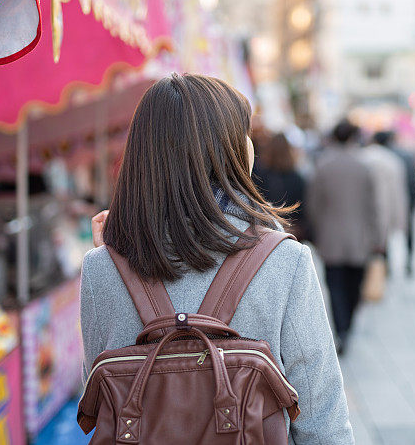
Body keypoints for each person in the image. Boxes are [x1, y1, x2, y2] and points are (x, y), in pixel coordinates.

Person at [82, 74, 353, 444]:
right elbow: (321, 415)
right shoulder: (284, 261)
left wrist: (112, 257)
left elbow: (99, 400)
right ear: (228, 149)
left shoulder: (100, 268)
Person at [307, 119, 382, 354]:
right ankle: (347, 325)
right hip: (359, 238)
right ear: (352, 137)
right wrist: (377, 236)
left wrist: (317, 233)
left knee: (335, 286)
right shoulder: (363, 166)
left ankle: (341, 329)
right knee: (354, 285)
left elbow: (313, 205)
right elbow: (373, 206)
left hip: (330, 238)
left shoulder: (322, 165)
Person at [363, 130, 409, 276]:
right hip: (385, 213)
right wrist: (399, 221)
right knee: (382, 249)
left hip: (362, 215)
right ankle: (380, 275)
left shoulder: (362, 157)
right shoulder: (393, 161)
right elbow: (398, 195)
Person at [375, 130, 415, 277]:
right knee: (408, 233)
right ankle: (409, 262)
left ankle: (388, 265)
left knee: (385, 234)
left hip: (387, 201)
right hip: (407, 200)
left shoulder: (383, 158)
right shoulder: (407, 155)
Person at [252, 132, 308, 240]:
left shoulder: (259, 175)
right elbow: (302, 208)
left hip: (265, 229)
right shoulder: (297, 178)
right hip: (291, 229)